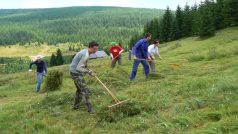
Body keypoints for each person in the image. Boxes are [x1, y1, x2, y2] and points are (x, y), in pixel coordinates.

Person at [69, 41, 99, 113]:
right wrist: (89, 72)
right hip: (75, 73)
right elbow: (78, 68)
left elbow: (83, 64)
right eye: (94, 49)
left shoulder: (86, 52)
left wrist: (87, 68)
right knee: (86, 91)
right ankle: (90, 109)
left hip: (73, 71)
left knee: (80, 90)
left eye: (97, 49)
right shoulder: (85, 54)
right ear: (90, 47)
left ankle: (76, 106)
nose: (96, 51)